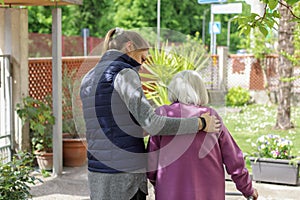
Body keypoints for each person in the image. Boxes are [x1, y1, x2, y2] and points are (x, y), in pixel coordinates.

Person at [79, 28, 221, 200]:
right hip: (126, 175)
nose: (142, 65)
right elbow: (151, 123)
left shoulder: (88, 78)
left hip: (97, 172)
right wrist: (200, 123)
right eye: (142, 58)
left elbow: (107, 125)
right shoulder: (125, 73)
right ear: (130, 47)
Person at [147, 70, 258, 200]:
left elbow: (151, 162)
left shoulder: (162, 115)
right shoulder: (210, 116)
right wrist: (247, 189)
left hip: (170, 192)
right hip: (208, 194)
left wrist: (158, 184)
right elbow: (234, 160)